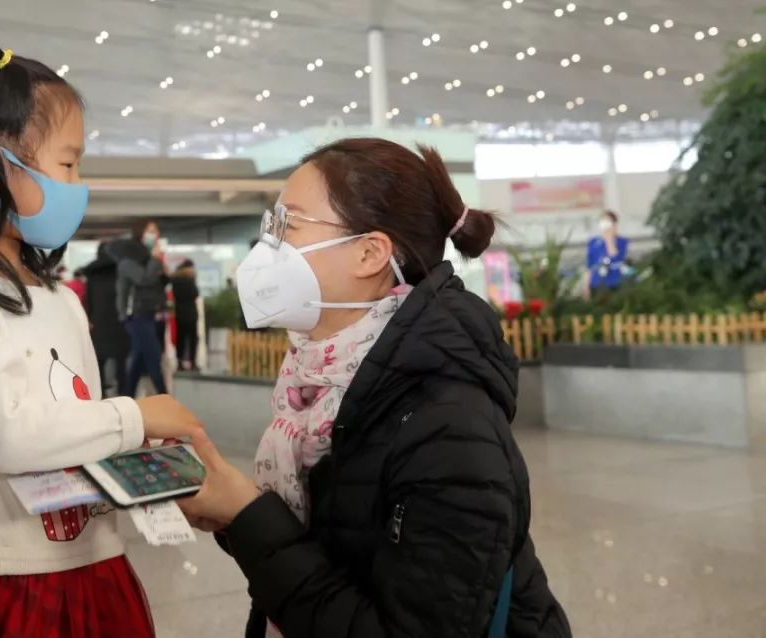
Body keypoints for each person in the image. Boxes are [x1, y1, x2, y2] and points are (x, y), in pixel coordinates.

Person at [0, 45, 201, 637]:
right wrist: (133, 416)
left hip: (94, 569)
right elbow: (6, 431)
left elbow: (77, 430)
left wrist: (143, 460)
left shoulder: (60, 299)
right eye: (67, 164)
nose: (78, 185)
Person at [179, 139, 571, 637]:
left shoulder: (449, 427)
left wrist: (250, 517)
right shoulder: (322, 382)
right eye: (270, 224)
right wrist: (236, 518)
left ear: (369, 253)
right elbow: (337, 539)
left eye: (288, 225)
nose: (267, 246)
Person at [111, 219, 169, 397]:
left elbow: (158, 284)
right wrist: (155, 260)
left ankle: (127, 396)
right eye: (150, 231)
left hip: (149, 313)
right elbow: (144, 279)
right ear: (140, 233)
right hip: (136, 315)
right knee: (153, 356)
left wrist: (161, 267)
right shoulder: (129, 260)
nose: (154, 235)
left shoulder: (148, 258)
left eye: (156, 231)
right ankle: (165, 396)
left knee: (138, 360)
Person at [84, 242, 129, 396]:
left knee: (99, 360)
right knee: (121, 360)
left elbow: (89, 300)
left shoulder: (92, 274)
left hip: (99, 320)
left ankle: (101, 393)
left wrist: (90, 318)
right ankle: (123, 392)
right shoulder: (120, 271)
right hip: (118, 320)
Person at [587, 210, 630, 292]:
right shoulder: (593, 242)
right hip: (597, 283)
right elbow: (589, 265)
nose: (605, 225)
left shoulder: (622, 241)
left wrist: (609, 238)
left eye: (608, 222)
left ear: (614, 224)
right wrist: (586, 286)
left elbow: (615, 256)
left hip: (615, 283)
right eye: (603, 222)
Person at [171, 259, 200, 371]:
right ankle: (193, 362)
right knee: (193, 338)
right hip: (191, 313)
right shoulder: (190, 279)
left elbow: (175, 295)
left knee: (181, 338)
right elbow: (195, 294)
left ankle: (179, 362)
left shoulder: (175, 280)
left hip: (179, 313)